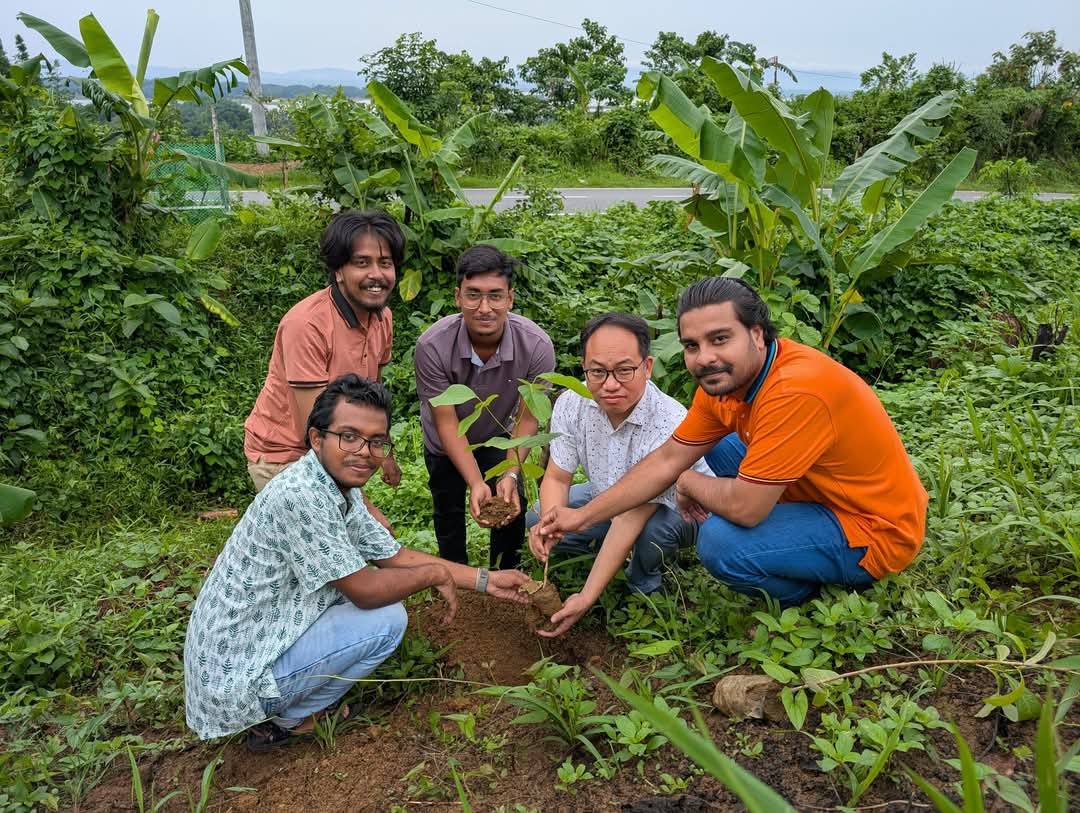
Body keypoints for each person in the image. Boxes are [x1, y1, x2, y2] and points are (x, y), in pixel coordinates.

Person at [184, 375, 530, 750]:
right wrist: (434, 573)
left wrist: (487, 580)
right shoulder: (302, 495)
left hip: (256, 641)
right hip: (235, 679)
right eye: (348, 437)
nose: (364, 451)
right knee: (386, 620)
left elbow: (394, 556)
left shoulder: (336, 487)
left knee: (365, 603)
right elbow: (366, 591)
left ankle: (291, 706)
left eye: (376, 442)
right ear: (317, 438)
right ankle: (289, 720)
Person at [540, 278, 929, 608]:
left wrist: (688, 482)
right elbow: (667, 459)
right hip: (811, 490)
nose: (705, 358)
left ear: (757, 333)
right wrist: (580, 518)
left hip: (870, 526)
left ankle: (808, 599)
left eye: (720, 339)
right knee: (715, 446)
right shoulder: (725, 384)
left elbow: (744, 509)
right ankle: (789, 537)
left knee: (721, 542)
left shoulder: (796, 391)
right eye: (692, 345)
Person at [526, 313, 713, 636]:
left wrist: (587, 596)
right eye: (597, 371)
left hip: (675, 510)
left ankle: (644, 584)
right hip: (605, 496)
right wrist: (550, 524)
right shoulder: (572, 402)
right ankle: (602, 552)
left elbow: (631, 514)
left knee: (653, 533)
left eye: (625, 370)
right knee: (537, 515)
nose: (610, 384)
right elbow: (557, 477)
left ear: (647, 366)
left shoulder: (668, 420)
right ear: (584, 367)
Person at [243, 209, 404, 497]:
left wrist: (384, 452)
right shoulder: (307, 325)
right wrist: (362, 505)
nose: (376, 275)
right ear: (338, 271)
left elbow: (372, 396)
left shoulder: (383, 318)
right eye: (362, 263)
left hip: (338, 446)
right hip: (286, 456)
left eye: (385, 263)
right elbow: (314, 430)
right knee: (347, 525)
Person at [414, 245, 556, 570]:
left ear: (510, 298)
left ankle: (505, 575)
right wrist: (476, 483)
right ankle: (455, 575)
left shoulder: (536, 346)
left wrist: (510, 472)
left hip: (500, 436)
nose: (484, 308)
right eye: (473, 295)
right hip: (445, 441)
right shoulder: (432, 346)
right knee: (448, 510)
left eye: (495, 296)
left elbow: (528, 418)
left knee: (509, 503)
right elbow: (447, 422)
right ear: (457, 297)